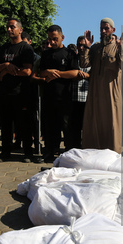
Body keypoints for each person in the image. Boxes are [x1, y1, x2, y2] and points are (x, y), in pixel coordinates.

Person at [0, 18, 37, 162]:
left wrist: (7, 71)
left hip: (21, 93)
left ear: (20, 30)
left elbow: (27, 71)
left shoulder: (25, 48)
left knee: (24, 125)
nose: (9, 30)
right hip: (5, 93)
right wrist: (6, 65)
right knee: (5, 125)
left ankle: (28, 153)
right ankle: (5, 153)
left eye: (12, 27)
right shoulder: (4, 48)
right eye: (8, 27)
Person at [79, 18, 123, 153]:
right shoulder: (95, 47)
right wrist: (87, 46)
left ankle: (113, 155)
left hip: (112, 93)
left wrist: (120, 47)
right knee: (94, 121)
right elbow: (84, 64)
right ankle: (93, 154)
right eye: (101, 28)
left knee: (112, 123)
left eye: (106, 28)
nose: (103, 31)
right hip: (95, 92)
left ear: (113, 30)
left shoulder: (118, 46)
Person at [39, 25, 78, 162]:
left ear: (62, 37)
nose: (52, 42)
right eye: (50, 39)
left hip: (65, 97)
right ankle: (49, 152)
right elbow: (40, 72)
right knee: (50, 127)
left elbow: (75, 72)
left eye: (55, 39)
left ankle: (69, 154)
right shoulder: (46, 53)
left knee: (67, 127)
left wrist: (58, 74)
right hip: (48, 96)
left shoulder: (69, 54)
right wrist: (47, 72)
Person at [66, 36, 90, 150]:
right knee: (73, 127)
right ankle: (73, 148)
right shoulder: (72, 58)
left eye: (84, 45)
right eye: (79, 45)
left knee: (86, 127)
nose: (81, 47)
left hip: (87, 99)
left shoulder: (92, 60)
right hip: (73, 98)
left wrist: (88, 76)